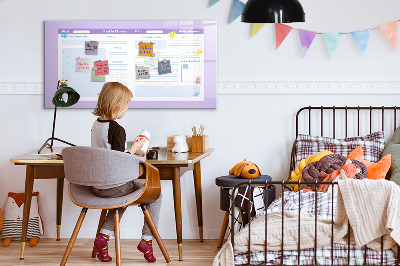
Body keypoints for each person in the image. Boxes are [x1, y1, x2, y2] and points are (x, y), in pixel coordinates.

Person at [91, 82, 161, 263]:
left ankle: (103, 238)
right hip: (114, 186)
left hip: (97, 186)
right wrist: (136, 148)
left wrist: (130, 149)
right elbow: (119, 161)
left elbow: (108, 154)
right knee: (156, 194)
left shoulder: (96, 125)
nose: (126, 109)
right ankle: (147, 240)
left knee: (121, 197)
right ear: (117, 105)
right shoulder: (117, 129)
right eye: (126, 105)